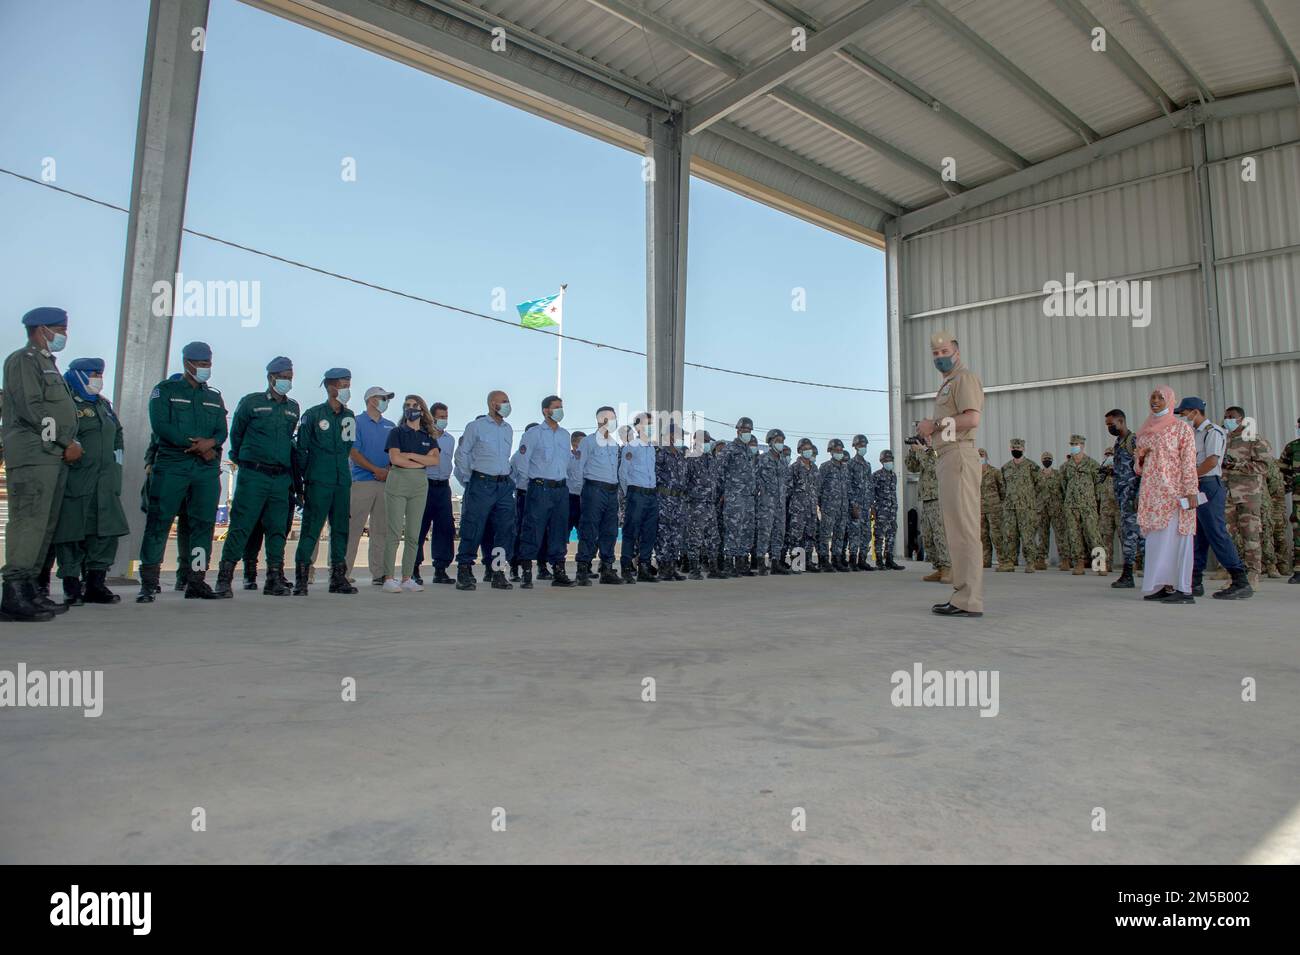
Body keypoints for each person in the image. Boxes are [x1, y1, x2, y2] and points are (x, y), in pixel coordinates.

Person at [1, 307, 80, 622]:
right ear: (40, 329)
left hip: (50, 455)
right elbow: (31, 408)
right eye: (59, 328)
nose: (64, 334)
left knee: (44, 525)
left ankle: (31, 588)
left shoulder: (48, 363)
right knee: (29, 522)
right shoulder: (25, 360)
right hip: (34, 453)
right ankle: (13, 593)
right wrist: (65, 441)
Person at [137, 341, 226, 603]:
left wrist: (210, 444)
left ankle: (196, 580)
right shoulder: (165, 391)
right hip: (173, 465)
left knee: (202, 526)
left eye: (207, 363)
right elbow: (161, 426)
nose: (204, 368)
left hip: (205, 470)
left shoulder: (213, 397)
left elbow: (222, 430)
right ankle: (149, 582)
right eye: (199, 363)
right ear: (186, 363)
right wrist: (196, 446)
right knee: (159, 523)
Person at [214, 357, 299, 598]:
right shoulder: (252, 403)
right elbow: (237, 434)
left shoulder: (293, 407)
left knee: (277, 529)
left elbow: (288, 438)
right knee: (242, 526)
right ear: (271, 377)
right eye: (282, 377)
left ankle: (274, 577)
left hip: (280, 477)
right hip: (254, 474)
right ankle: (225, 577)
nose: (286, 381)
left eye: (290, 377)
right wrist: (246, 460)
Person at [917, 330, 984, 617]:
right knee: (955, 530)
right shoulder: (948, 383)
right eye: (935, 353)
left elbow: (971, 418)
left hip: (959, 455)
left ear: (956, 352)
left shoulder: (964, 378)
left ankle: (969, 599)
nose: (940, 357)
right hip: (947, 456)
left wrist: (934, 424)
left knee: (965, 530)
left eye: (944, 352)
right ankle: (961, 595)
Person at [50, 357, 126, 606]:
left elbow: (117, 435)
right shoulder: (66, 405)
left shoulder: (104, 406)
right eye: (94, 373)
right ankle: (72, 586)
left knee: (104, 532)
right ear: (78, 375)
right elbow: (56, 437)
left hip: (105, 482)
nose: (98, 378)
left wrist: (117, 464)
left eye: (100, 373)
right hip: (78, 479)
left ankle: (95, 583)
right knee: (71, 533)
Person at [1174, 396, 1252, 599]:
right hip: (1196, 486)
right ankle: (1194, 581)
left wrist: (1189, 478)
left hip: (1208, 485)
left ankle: (1240, 580)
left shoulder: (1213, 432)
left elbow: (1211, 462)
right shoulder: (1191, 434)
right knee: (1198, 535)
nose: (1182, 417)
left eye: (1183, 413)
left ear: (1194, 412)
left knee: (1217, 532)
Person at [292, 368, 357, 596]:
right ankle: (301, 577)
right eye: (342, 385)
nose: (346, 390)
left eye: (348, 384)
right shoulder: (313, 415)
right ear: (330, 387)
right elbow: (302, 450)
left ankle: (338, 577)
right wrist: (306, 477)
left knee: (341, 529)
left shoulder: (349, 417)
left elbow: (348, 446)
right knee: (311, 529)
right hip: (318, 480)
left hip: (342, 481)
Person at [1134, 387, 1199, 602]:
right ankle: (1163, 584)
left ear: (1170, 401)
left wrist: (1191, 491)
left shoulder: (1181, 429)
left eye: (1160, 397)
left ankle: (1184, 589)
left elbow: (1188, 462)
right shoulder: (1144, 431)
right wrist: (1141, 459)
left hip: (1175, 494)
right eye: (1152, 396)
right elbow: (1138, 467)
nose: (1155, 400)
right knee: (1158, 541)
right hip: (1153, 494)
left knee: (1178, 540)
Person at [452, 390, 516, 591]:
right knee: (474, 527)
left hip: (503, 485)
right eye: (503, 402)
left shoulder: (508, 429)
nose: (507, 405)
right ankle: (464, 570)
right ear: (492, 404)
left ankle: (497, 571)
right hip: (481, 483)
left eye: (508, 401)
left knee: (504, 530)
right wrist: (471, 478)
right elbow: (462, 455)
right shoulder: (476, 427)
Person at [381, 395, 441, 592]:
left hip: (419, 484)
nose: (410, 408)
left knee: (414, 533)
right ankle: (389, 577)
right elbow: (395, 458)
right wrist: (420, 460)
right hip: (398, 481)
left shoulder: (428, 436)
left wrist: (411, 455)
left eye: (414, 405)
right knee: (395, 531)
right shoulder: (397, 432)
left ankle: (407, 577)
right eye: (407, 405)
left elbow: (434, 461)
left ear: (422, 410)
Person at [515, 397, 575, 588]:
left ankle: (559, 571)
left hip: (560, 489)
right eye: (556, 407)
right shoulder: (534, 434)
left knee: (559, 531)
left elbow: (568, 463)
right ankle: (526, 572)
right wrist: (528, 486)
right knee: (533, 529)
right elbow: (523, 463)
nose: (560, 410)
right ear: (545, 411)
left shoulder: (565, 435)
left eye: (561, 407)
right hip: (540, 488)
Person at [345, 386, 395, 585]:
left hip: (385, 484)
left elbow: (394, 452)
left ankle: (379, 573)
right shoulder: (355, 422)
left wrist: (387, 471)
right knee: (352, 529)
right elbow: (353, 452)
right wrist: (375, 469)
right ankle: (343, 572)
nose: (386, 401)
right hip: (361, 482)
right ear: (371, 400)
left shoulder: (391, 426)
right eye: (382, 398)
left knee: (381, 530)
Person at [1221, 405, 1271, 586]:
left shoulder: (1254, 440)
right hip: (1226, 495)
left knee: (1250, 535)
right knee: (1227, 535)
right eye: (1226, 416)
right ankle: (1233, 575)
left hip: (1248, 495)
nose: (1227, 419)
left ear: (1241, 419)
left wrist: (1237, 464)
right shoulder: (1222, 439)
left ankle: (1253, 574)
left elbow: (1264, 466)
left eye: (1231, 417)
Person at [576, 406, 622, 585]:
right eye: (610, 418)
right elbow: (579, 469)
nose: (613, 422)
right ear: (600, 420)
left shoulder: (614, 444)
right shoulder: (588, 442)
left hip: (612, 491)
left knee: (610, 531)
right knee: (589, 529)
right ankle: (582, 569)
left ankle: (607, 568)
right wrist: (582, 493)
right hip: (594, 490)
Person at [411, 401, 456, 586]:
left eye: (445, 417)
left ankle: (441, 568)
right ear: (431, 417)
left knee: (445, 528)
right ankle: (413, 567)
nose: (443, 420)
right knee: (419, 527)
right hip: (425, 485)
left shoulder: (450, 439)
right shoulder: (422, 436)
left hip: (443, 487)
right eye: (440, 417)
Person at [619, 411, 659, 583]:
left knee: (649, 533)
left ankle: (644, 567)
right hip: (636, 493)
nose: (650, 427)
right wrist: (631, 493)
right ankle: (627, 567)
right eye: (646, 424)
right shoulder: (631, 446)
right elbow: (623, 473)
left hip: (651, 494)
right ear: (637, 427)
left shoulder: (651, 448)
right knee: (631, 532)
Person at [1105, 409, 1140, 588]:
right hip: (1123, 497)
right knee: (1131, 534)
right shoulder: (1119, 442)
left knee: (1134, 535)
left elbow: (1142, 468)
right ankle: (1131, 574)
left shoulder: (1134, 440)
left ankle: (1130, 574)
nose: (1109, 427)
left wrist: (1139, 496)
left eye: (1111, 424)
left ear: (1121, 421)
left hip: (1132, 496)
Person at [906, 438, 949, 582]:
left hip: (939, 497)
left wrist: (922, 451)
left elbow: (932, 467)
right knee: (928, 536)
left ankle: (948, 568)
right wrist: (912, 452)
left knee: (940, 535)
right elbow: (912, 467)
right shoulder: (925, 453)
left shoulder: (940, 452)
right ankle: (939, 568)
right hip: (926, 498)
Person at [720, 418, 758, 576]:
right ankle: (729, 563)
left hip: (748, 497)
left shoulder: (749, 451)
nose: (747, 433)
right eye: (744, 430)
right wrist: (725, 491)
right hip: (735, 496)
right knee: (733, 530)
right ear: (738, 431)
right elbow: (719, 471)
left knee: (747, 530)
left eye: (749, 431)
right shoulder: (730, 449)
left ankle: (742, 562)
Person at [1061, 434, 1102, 575]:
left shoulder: (1092, 464)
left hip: (1088, 504)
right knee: (1074, 534)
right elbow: (1063, 485)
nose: (1074, 447)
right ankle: (1079, 563)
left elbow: (1099, 484)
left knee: (1093, 533)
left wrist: (1095, 500)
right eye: (1072, 444)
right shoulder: (1066, 466)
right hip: (1071, 505)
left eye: (1077, 444)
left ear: (1083, 446)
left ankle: (1099, 563)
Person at [684, 429, 722, 580]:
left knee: (713, 537)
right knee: (695, 538)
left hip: (710, 504)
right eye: (704, 441)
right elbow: (684, 481)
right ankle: (694, 569)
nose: (707, 444)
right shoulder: (691, 459)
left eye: (708, 441)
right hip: (696, 504)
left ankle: (713, 568)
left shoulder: (712, 460)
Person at [654, 423, 689, 581]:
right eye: (680, 435)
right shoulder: (660, 453)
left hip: (679, 499)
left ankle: (672, 567)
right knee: (663, 534)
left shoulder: (681, 455)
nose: (682, 438)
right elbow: (654, 475)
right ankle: (663, 568)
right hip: (664, 498)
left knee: (676, 534)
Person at [998, 438, 1038, 573]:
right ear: (1010, 449)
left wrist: (1034, 502)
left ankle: (1031, 562)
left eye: (1018, 449)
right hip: (1010, 507)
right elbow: (1002, 487)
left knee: (1027, 535)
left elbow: (1041, 486)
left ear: (1023, 449)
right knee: (1009, 535)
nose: (1016, 451)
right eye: (1013, 449)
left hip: (1026, 507)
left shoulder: (1032, 466)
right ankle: (1009, 562)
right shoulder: (1005, 468)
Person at [753, 428, 789, 575]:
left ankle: (775, 563)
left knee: (778, 533)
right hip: (766, 503)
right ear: (770, 442)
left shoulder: (783, 462)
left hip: (780, 504)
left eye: (782, 441)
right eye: (777, 441)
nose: (780, 444)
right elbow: (754, 479)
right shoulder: (762, 459)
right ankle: (761, 562)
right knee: (764, 533)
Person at [786, 438, 820, 573]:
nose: (808, 451)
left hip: (811, 509)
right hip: (798, 509)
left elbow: (817, 487)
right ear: (800, 451)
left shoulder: (814, 468)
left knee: (810, 535)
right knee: (796, 536)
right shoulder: (794, 468)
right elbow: (788, 489)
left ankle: (808, 562)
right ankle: (797, 563)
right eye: (805, 448)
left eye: (809, 448)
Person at [817, 438, 851, 572]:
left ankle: (836, 559)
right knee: (825, 534)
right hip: (829, 507)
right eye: (836, 450)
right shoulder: (825, 467)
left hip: (842, 508)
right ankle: (824, 560)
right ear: (830, 451)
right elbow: (819, 487)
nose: (839, 452)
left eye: (841, 450)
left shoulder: (845, 467)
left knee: (839, 534)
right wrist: (821, 504)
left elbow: (847, 488)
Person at [508, 424, 536, 581]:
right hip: (523, 495)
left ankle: (542, 565)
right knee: (519, 532)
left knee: (541, 531)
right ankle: (514, 567)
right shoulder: (518, 456)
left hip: (540, 495)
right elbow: (510, 478)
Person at [871, 449, 904, 569]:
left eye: (890, 460)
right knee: (879, 535)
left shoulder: (893, 476)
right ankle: (879, 561)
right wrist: (873, 508)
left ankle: (889, 559)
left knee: (891, 534)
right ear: (881, 461)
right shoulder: (876, 475)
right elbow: (871, 493)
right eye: (886, 460)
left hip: (892, 510)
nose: (889, 462)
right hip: (881, 510)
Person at [846, 435, 873, 571]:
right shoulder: (850, 464)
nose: (863, 447)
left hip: (866, 505)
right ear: (855, 447)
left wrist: (871, 505)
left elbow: (870, 486)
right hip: (856, 506)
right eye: (861, 445)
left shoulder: (867, 465)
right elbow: (848, 486)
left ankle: (862, 559)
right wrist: (853, 505)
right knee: (855, 534)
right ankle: (852, 560)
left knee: (866, 534)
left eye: (865, 445)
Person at [1036, 451, 1066, 570]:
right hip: (1042, 509)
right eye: (1045, 458)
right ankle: (1041, 559)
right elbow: (1034, 491)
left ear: (1052, 460)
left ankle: (1065, 559)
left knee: (1060, 534)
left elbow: (1063, 490)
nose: (1046, 460)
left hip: (1056, 509)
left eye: (1049, 458)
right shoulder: (1037, 475)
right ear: (1041, 460)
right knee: (1042, 535)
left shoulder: (1058, 474)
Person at [977, 448, 1006, 570]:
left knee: (997, 535)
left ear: (987, 457)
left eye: (982, 455)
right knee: (983, 536)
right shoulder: (973, 473)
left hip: (994, 509)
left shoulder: (995, 472)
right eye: (978, 456)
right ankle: (985, 560)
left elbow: (1003, 489)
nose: (980, 457)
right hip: (980, 509)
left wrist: (998, 503)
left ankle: (1003, 561)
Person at [1262, 454, 1289, 579]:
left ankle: (1280, 564)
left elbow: (1275, 483)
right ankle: (1266, 564)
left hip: (1274, 500)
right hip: (1262, 500)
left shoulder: (1268, 460)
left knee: (1278, 531)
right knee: (1264, 531)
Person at [1282, 416, 1300, 584]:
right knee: (1298, 532)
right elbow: (1284, 473)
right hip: (1298, 498)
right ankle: (1299, 570)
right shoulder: (1292, 447)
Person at [565, 430, 585, 574]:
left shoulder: (588, 459)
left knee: (585, 534)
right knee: (562, 534)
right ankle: (557, 565)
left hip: (583, 499)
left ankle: (584, 566)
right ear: (574, 443)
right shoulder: (566, 458)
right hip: (568, 499)